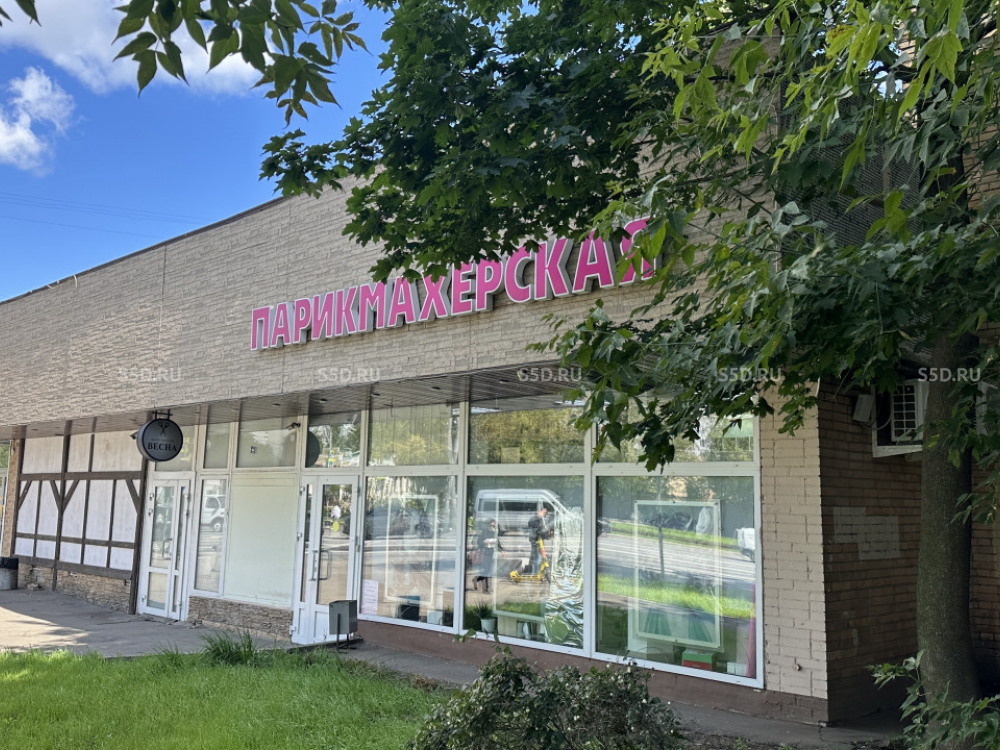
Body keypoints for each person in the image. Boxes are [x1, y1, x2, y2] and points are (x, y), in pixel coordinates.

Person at [472, 520, 505, 593]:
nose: (492, 527)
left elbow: (497, 543)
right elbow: (479, 543)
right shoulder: (483, 533)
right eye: (491, 526)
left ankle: (477, 579)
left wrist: (502, 551)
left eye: (494, 526)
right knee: (487, 570)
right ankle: (486, 588)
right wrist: (485, 542)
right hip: (484, 553)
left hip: (490, 553)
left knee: (488, 570)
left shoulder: (494, 534)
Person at [526, 507, 550, 576]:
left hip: (538, 540)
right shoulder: (534, 519)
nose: (544, 515)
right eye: (543, 513)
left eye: (545, 514)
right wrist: (541, 528)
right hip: (535, 540)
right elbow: (536, 529)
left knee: (536, 556)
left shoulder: (540, 520)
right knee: (536, 556)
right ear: (540, 512)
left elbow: (541, 530)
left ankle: (534, 571)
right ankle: (535, 572)